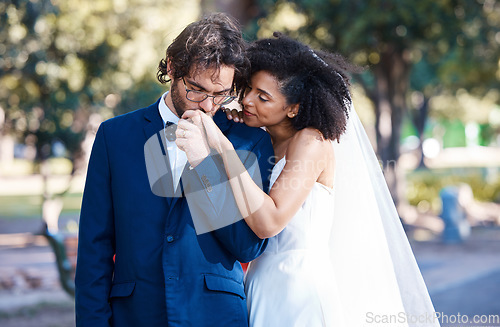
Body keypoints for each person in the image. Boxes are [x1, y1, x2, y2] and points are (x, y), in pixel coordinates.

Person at [178, 33, 439, 326]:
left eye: (263, 97)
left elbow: (269, 221)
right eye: (248, 88)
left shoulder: (311, 141)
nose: (247, 100)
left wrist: (221, 146)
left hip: (298, 289)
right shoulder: (261, 141)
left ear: (294, 108)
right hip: (260, 284)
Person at [74, 13, 274, 327]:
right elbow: (94, 246)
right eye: (196, 90)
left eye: (221, 94)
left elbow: (247, 246)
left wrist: (205, 165)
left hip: (215, 316)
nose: (208, 105)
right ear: (171, 67)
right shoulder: (114, 136)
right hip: (135, 315)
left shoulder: (251, 142)